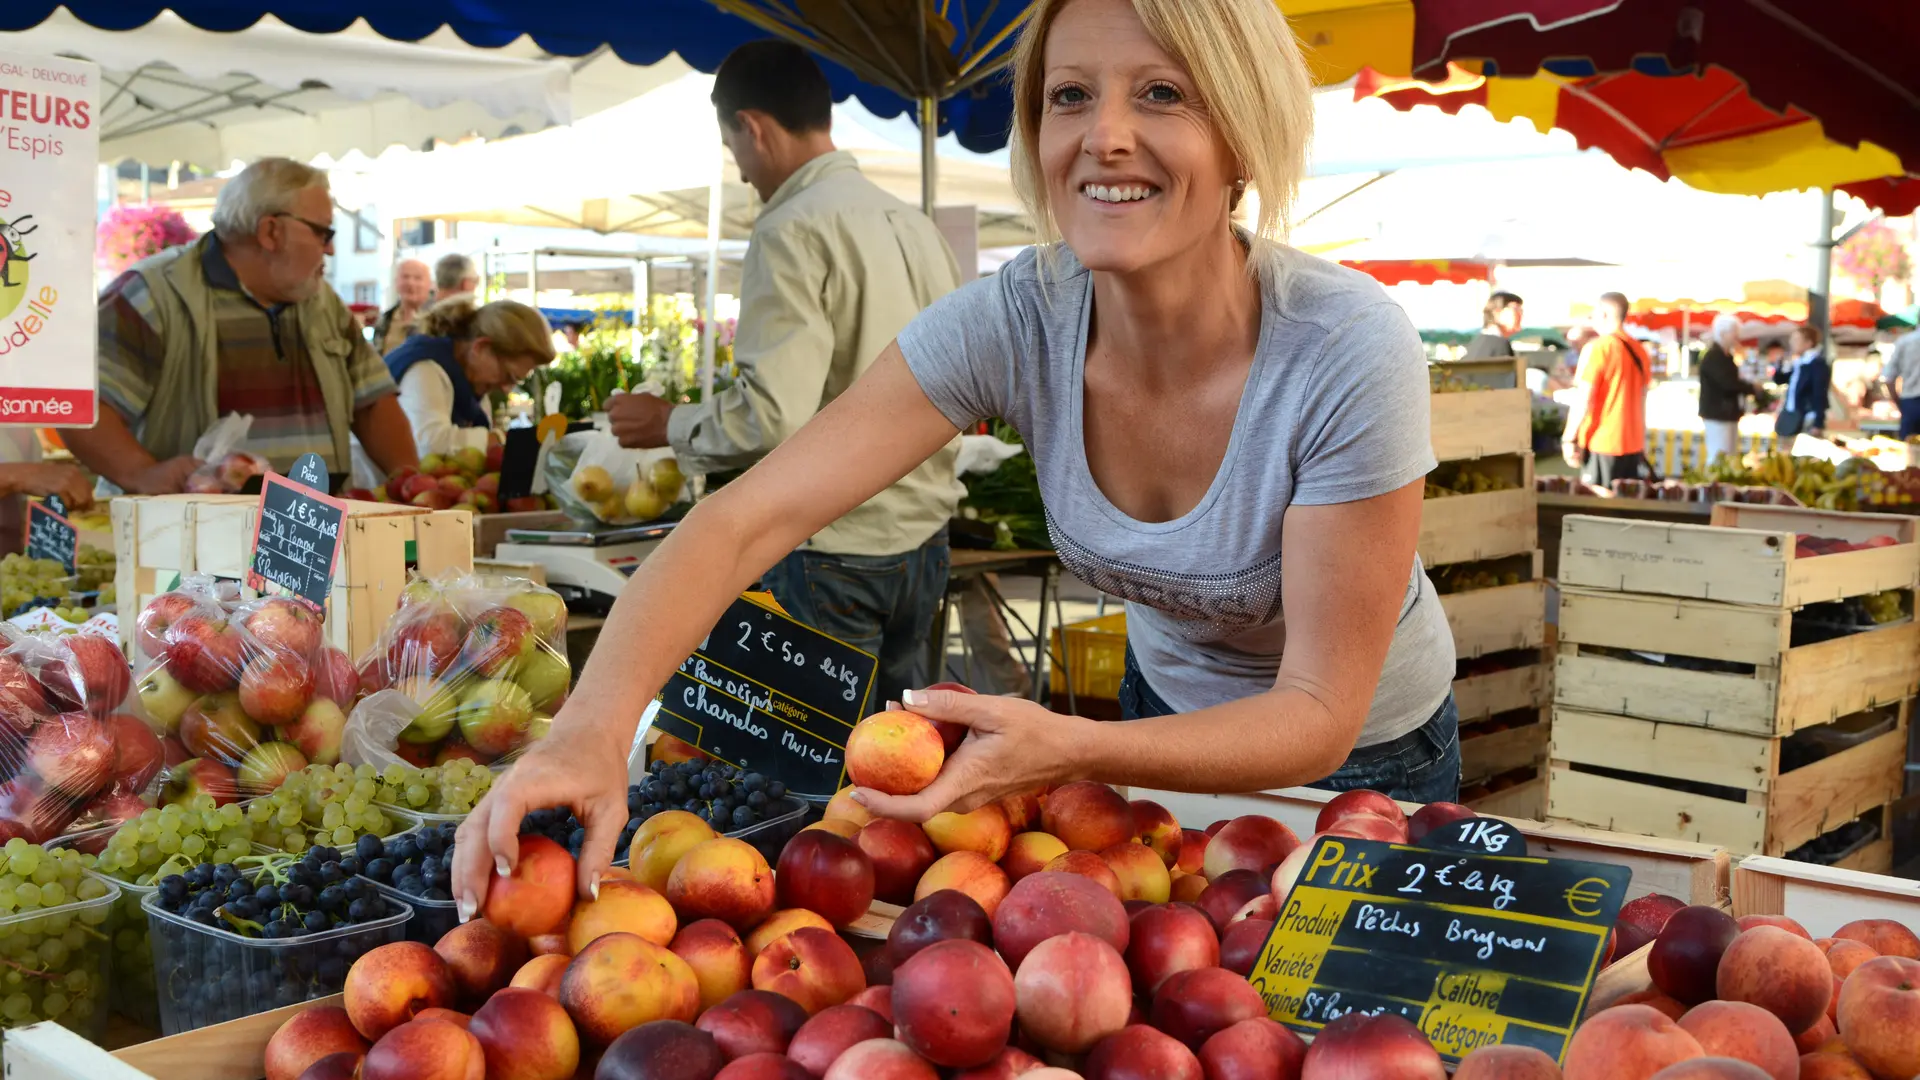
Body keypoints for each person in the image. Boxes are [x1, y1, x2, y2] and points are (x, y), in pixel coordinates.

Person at [455, 0, 1459, 906]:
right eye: (1070, 96)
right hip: (1159, 723)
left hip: (1366, 760)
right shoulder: (1017, 320)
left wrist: (1068, 749)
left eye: (1163, 94)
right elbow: (742, 519)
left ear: (1245, 132)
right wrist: (590, 727)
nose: (1105, 136)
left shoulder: (1342, 348)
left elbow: (1322, 709)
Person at [602, 39, 964, 706]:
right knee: (905, 771)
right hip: (924, 544)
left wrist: (668, 422)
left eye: (732, 148)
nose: (740, 173)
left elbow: (772, 414)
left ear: (752, 127)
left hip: (834, 546)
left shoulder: (791, 227)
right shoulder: (913, 225)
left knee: (817, 784)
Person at [73, 158, 419, 493]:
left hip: (311, 535)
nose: (329, 249)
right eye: (322, 233)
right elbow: (82, 407)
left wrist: (411, 484)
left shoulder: (321, 301)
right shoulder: (152, 295)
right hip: (196, 538)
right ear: (270, 231)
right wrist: (142, 473)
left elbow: (373, 404)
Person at [388, 299, 556, 459]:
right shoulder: (424, 370)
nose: (506, 389)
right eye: (508, 376)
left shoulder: (472, 388)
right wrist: (503, 439)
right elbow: (428, 446)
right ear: (481, 348)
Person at [1562, 292, 1651, 485]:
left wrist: (1569, 439)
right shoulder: (1640, 350)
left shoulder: (1599, 348)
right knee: (1626, 504)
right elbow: (1643, 399)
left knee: (1599, 504)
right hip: (1633, 442)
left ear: (1603, 314)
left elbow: (1584, 398)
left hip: (1602, 440)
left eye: (1593, 314)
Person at [1698, 315, 1755, 463]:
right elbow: (1728, 383)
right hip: (1718, 414)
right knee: (1719, 455)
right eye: (1733, 332)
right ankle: (1714, 485)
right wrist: (1750, 388)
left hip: (1727, 413)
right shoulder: (1714, 357)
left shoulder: (1725, 356)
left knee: (1728, 456)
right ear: (1723, 333)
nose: (1737, 336)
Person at [1775, 323, 1831, 438]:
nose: (1792, 343)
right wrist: (1781, 364)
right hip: (1791, 415)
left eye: (1796, 339)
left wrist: (1818, 422)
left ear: (1808, 343)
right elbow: (1780, 380)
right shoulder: (1798, 363)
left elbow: (1819, 393)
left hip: (1807, 416)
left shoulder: (1816, 364)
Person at [374, 259, 433, 355]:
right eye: (405, 277)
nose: (410, 283)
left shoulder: (437, 319)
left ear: (430, 284)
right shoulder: (385, 319)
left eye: (417, 278)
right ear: (396, 282)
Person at [1883, 324, 1920, 439]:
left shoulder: (1905, 341)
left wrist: (1897, 401)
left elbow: (1888, 378)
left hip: (1910, 402)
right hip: (1909, 401)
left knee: (1909, 449)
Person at [1463, 291, 1523, 360]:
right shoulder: (1499, 343)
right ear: (1497, 311)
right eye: (1516, 309)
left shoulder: (1478, 343)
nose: (1521, 315)